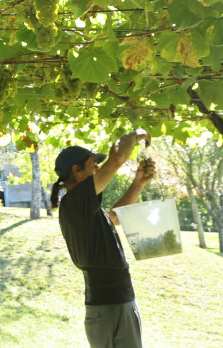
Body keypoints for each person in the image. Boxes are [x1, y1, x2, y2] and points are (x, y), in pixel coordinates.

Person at [50, 132, 155, 348]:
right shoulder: (75, 203)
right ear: (76, 170)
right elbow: (116, 158)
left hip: (112, 305)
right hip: (111, 306)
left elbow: (115, 216)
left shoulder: (83, 208)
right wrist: (135, 135)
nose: (97, 168)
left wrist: (138, 183)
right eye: (92, 164)